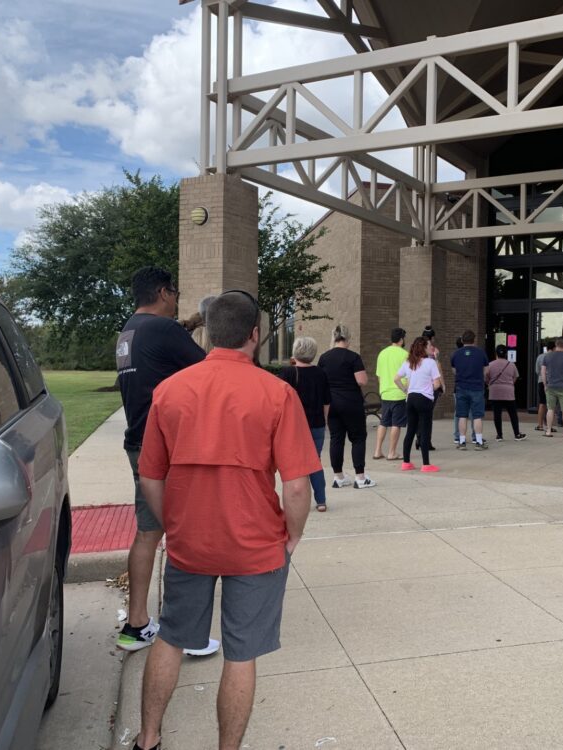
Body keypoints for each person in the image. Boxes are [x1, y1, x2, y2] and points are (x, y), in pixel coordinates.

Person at [133, 290, 319, 750]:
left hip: (188, 539)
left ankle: (147, 739)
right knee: (241, 654)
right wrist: (292, 537)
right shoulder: (276, 393)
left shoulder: (170, 390)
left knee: (172, 637)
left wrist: (172, 524)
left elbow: (150, 476)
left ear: (210, 333)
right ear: (254, 335)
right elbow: (296, 487)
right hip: (255, 543)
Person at [115, 267, 212, 654]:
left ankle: (136, 625)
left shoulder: (129, 331)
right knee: (187, 534)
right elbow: (212, 370)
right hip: (170, 449)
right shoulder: (163, 329)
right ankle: (187, 634)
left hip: (139, 443)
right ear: (162, 292)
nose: (176, 300)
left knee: (148, 532)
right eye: (174, 292)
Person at [317, 325, 376, 489]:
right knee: (358, 438)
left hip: (332, 403)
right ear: (348, 338)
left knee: (336, 439)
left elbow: (321, 381)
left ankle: (339, 477)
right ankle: (360, 477)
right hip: (351, 402)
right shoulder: (353, 357)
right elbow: (362, 380)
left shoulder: (324, 358)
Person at [280, 337, 331, 511]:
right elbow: (326, 401)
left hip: (293, 425)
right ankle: (321, 500)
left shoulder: (287, 373)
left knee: (294, 465)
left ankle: (296, 500)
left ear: (295, 352)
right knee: (314, 462)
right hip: (316, 423)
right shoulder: (320, 373)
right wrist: (324, 421)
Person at [394, 337, 443, 472]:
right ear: (424, 348)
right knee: (425, 431)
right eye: (429, 346)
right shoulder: (430, 363)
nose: (431, 347)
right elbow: (437, 383)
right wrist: (429, 388)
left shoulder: (409, 362)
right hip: (424, 399)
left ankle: (406, 462)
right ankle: (426, 464)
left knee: (410, 430)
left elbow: (396, 379)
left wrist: (405, 390)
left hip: (410, 399)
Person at [451, 329, 490, 450]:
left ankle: (462, 442)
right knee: (477, 416)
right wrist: (480, 377)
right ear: (474, 340)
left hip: (461, 387)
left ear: (462, 340)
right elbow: (487, 370)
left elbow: (454, 371)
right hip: (477, 388)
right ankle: (478, 442)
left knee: (462, 415)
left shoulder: (456, 354)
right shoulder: (481, 353)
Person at [374, 327, 408, 461]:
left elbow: (379, 375)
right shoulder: (405, 354)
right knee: (396, 424)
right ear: (401, 339)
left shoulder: (382, 353)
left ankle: (377, 451)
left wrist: (382, 388)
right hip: (399, 393)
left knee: (383, 422)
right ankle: (392, 452)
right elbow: (409, 375)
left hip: (385, 392)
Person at [487, 345, 527, 442]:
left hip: (494, 392)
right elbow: (516, 377)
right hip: (508, 392)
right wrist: (509, 384)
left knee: (497, 414)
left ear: (496, 353)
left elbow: (486, 377)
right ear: (506, 354)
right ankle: (517, 434)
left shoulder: (490, 364)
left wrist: (490, 384)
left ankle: (499, 435)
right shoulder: (511, 365)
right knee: (513, 414)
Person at [540, 337, 563, 438]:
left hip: (551, 386)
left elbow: (543, 371)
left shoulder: (547, 357)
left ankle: (548, 432)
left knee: (550, 409)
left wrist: (545, 384)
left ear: (556, 345)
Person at [534, 340, 554, 431]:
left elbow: (537, 371)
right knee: (551, 405)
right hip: (552, 382)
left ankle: (540, 425)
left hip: (541, 381)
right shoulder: (555, 357)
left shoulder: (540, 356)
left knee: (542, 403)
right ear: (554, 348)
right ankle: (550, 425)